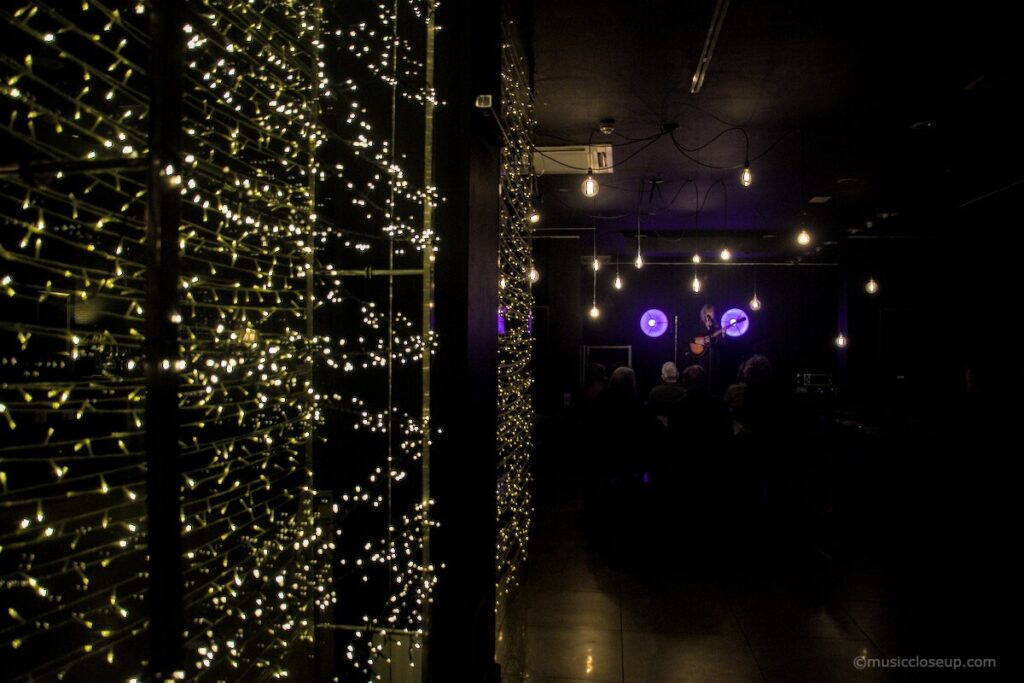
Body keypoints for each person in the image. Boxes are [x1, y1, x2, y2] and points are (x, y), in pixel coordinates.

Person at [646, 361, 686, 426]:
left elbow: (649, 414)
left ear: (662, 377)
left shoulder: (655, 392)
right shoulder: (685, 392)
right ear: (678, 375)